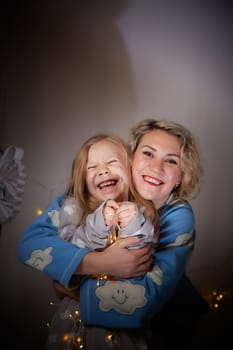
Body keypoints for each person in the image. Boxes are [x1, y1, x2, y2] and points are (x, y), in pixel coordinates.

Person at [18, 118, 204, 349]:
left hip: (164, 326)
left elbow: (142, 301)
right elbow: (31, 243)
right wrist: (96, 263)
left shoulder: (178, 215)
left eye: (171, 161)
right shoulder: (83, 200)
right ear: (131, 158)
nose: (156, 167)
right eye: (148, 153)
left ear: (181, 176)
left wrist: (70, 285)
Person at [45, 133, 159, 349]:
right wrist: (97, 223)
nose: (103, 170)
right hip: (76, 315)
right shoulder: (75, 211)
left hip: (125, 316)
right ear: (84, 181)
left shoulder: (143, 209)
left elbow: (146, 254)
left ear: (131, 170)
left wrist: (134, 223)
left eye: (112, 162)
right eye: (92, 167)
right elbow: (68, 254)